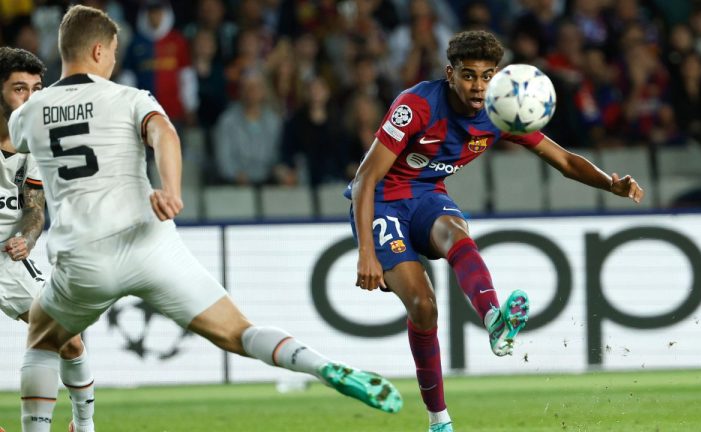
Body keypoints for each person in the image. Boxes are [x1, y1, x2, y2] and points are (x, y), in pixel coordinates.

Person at [10, 6, 402, 432]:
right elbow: (165, 133)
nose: (116, 60)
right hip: (150, 244)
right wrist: (172, 190)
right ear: (100, 50)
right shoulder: (129, 97)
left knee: (43, 340)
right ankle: (321, 366)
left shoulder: (27, 113)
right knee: (238, 332)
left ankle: (63, 426)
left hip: (84, 259)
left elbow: (18, 151)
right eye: (115, 52)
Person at [347, 30, 644, 432]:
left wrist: (610, 183)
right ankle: (439, 421)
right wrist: (367, 250)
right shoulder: (415, 106)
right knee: (423, 307)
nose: (478, 86)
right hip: (383, 200)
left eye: (487, 76)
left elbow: (563, 160)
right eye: (468, 75)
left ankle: (493, 320)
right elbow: (366, 180)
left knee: (456, 233)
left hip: (428, 195)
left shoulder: (501, 111)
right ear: (449, 73)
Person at [0, 46, 95, 432]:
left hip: (8, 258)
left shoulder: (34, 143)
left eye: (37, 89)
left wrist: (27, 236)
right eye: (19, 89)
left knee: (67, 338)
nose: (31, 99)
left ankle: (83, 425)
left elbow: (35, 208)